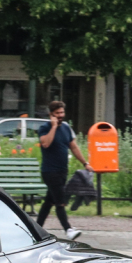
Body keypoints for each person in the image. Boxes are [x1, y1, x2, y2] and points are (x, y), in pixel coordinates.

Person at [35, 101, 87, 240]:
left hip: (62, 171)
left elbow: (74, 147)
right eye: (57, 113)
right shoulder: (45, 128)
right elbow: (45, 143)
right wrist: (53, 127)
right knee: (60, 201)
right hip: (50, 172)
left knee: (48, 202)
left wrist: (85, 163)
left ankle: (36, 229)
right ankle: (68, 229)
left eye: (62, 113)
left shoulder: (66, 128)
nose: (60, 116)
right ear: (51, 114)